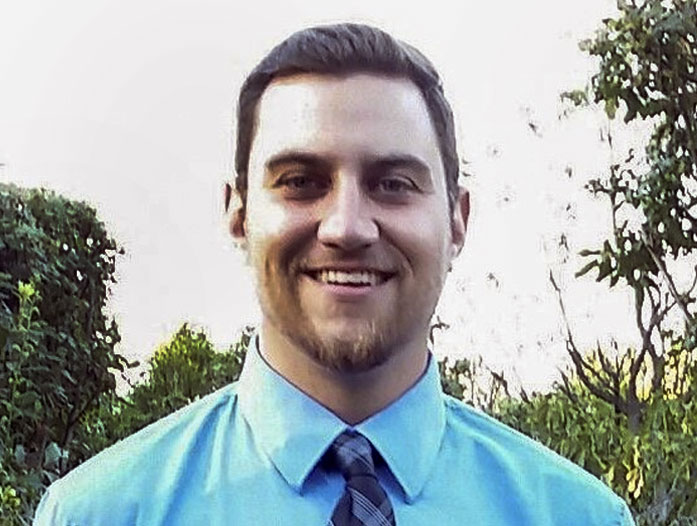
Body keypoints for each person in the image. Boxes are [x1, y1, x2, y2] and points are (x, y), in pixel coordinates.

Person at [34, 23, 635, 525]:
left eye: (393, 184)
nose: (347, 227)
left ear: (457, 220)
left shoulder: (577, 516)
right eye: (300, 182)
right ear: (238, 214)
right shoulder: (102, 514)